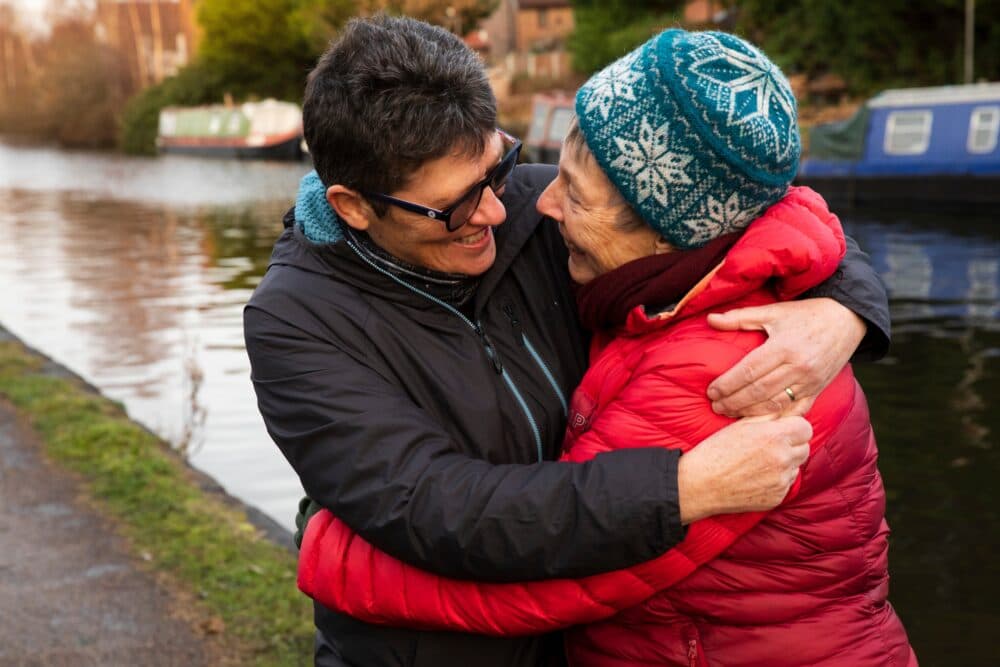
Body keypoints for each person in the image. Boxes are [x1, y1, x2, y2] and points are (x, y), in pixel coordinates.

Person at [243, 16, 891, 667]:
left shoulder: (532, 205)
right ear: (354, 206)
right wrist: (681, 487)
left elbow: (754, 211)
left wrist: (843, 308)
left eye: (500, 167)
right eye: (456, 206)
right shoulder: (295, 321)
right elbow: (438, 507)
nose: (499, 211)